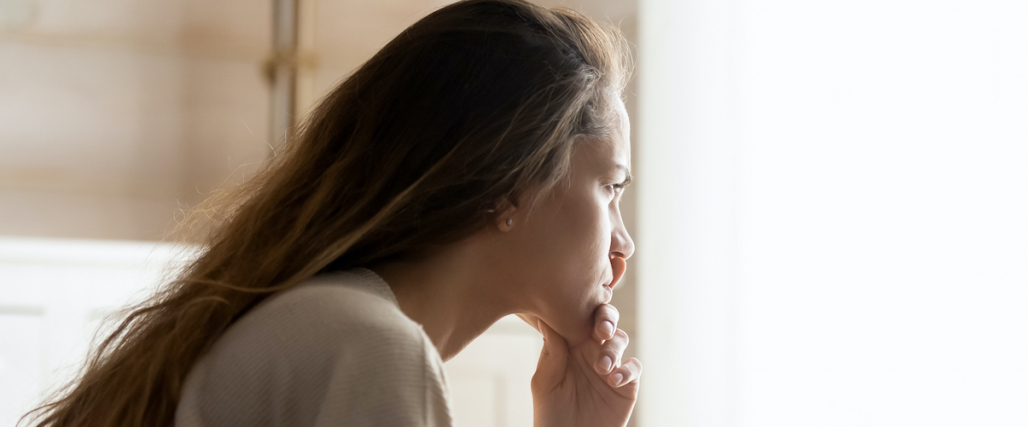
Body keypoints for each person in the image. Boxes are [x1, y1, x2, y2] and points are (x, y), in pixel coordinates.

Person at [23, 0, 639, 425]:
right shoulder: (368, 347)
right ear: (508, 186)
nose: (624, 243)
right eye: (611, 187)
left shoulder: (329, 321)